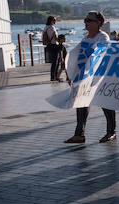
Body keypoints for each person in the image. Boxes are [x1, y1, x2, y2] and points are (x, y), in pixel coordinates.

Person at [64, 11, 115, 144]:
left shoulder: (103, 37)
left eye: (89, 20)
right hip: (84, 77)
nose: (85, 23)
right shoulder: (85, 38)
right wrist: (72, 74)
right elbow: (78, 57)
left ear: (98, 23)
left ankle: (111, 132)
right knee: (81, 103)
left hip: (99, 76)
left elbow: (100, 56)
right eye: (85, 20)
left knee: (105, 103)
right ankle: (79, 134)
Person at [43, 15, 59, 81]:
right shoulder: (52, 28)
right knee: (56, 62)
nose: (55, 21)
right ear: (51, 21)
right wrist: (60, 41)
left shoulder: (46, 27)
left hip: (49, 45)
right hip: (53, 45)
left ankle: (54, 76)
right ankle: (54, 76)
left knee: (54, 62)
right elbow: (55, 37)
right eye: (54, 20)